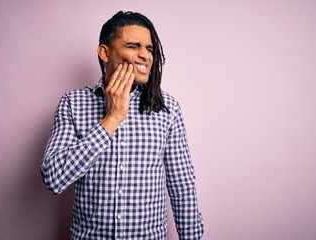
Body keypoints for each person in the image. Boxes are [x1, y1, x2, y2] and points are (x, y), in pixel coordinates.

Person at [41, 11, 204, 239]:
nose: (145, 56)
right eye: (133, 46)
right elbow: (54, 178)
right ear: (105, 53)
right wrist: (112, 119)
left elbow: (182, 186)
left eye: (149, 49)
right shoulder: (72, 103)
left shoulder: (167, 109)